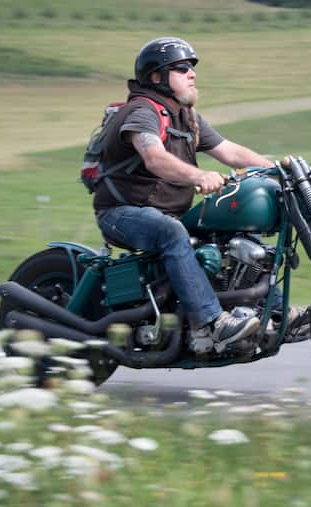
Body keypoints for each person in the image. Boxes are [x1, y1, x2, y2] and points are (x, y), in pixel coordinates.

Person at [93, 37, 274, 353]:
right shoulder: (142, 111)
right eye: (181, 68)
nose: (191, 73)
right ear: (156, 77)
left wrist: (277, 168)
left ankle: (274, 311)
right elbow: (154, 157)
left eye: (191, 68)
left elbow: (229, 151)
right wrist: (199, 175)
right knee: (171, 231)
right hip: (122, 212)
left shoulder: (187, 117)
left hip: (167, 212)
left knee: (240, 237)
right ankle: (213, 323)